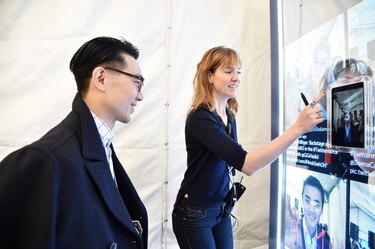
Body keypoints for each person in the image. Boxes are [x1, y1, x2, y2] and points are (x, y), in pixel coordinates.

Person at [0, 36, 148, 249]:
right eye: (137, 82)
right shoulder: (43, 161)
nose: (141, 95)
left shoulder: (99, 147)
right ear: (101, 78)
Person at [172, 46, 324, 249]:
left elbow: (234, 161)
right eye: (228, 71)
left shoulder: (228, 115)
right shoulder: (200, 118)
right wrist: (297, 128)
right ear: (209, 75)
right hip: (194, 213)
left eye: (239, 72)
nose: (236, 78)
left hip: (221, 210)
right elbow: (247, 164)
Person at [299, 175, 330, 249]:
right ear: (302, 200)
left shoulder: (326, 244)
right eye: (307, 201)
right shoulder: (289, 229)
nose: (311, 210)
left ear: (322, 209)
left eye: (316, 204)